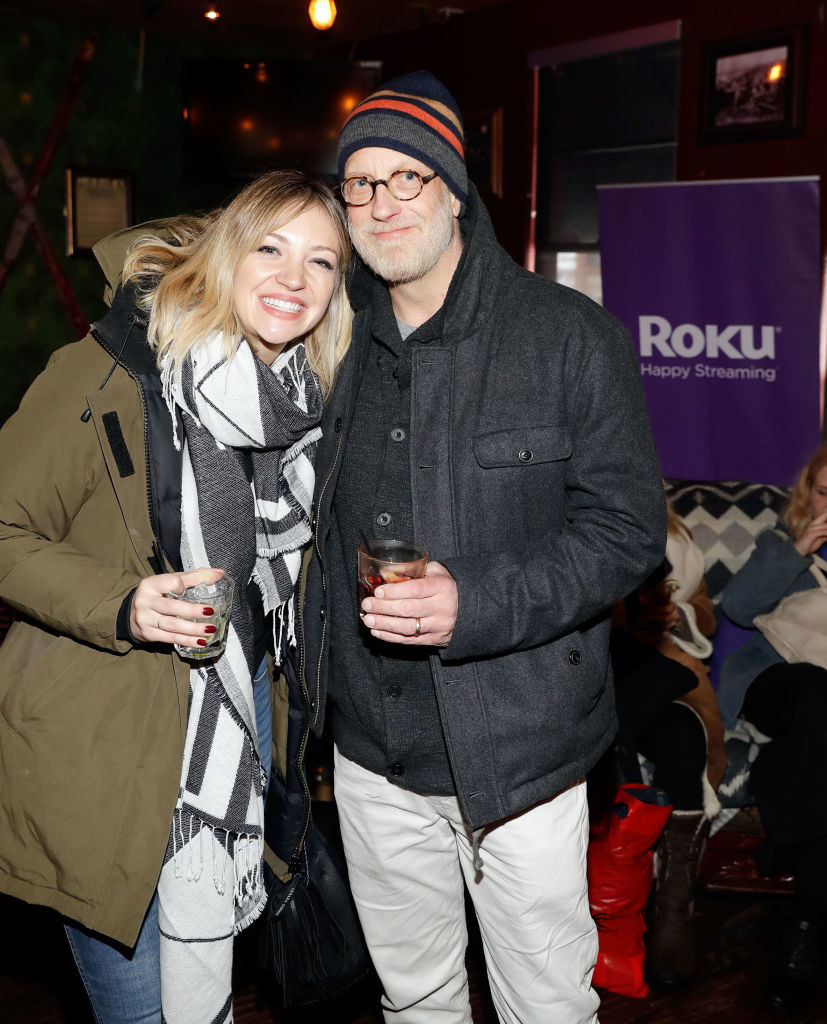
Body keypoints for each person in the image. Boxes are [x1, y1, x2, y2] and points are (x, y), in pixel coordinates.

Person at [296, 71, 666, 1023]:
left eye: (405, 177)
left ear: (454, 188)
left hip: (523, 754)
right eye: (359, 184)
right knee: (414, 1001)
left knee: (545, 1006)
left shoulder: (569, 339)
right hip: (371, 760)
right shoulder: (328, 343)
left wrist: (478, 599)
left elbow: (627, 533)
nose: (379, 205)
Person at [0, 169, 351, 1024]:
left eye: (322, 262)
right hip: (103, 739)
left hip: (239, 728)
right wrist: (124, 604)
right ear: (226, 252)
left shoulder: (311, 413)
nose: (292, 279)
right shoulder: (108, 373)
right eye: (269, 247)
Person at [718, 441, 827, 1013]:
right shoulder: (781, 545)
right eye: (824, 491)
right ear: (806, 493)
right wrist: (798, 549)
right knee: (814, 694)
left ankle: (810, 917)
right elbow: (737, 606)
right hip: (772, 681)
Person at [608, 502, 725, 990]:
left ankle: (675, 911)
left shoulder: (675, 529)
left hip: (666, 673)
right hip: (603, 671)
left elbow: (706, 613)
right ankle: (613, 913)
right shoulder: (586, 511)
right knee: (613, 730)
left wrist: (678, 616)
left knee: (681, 732)